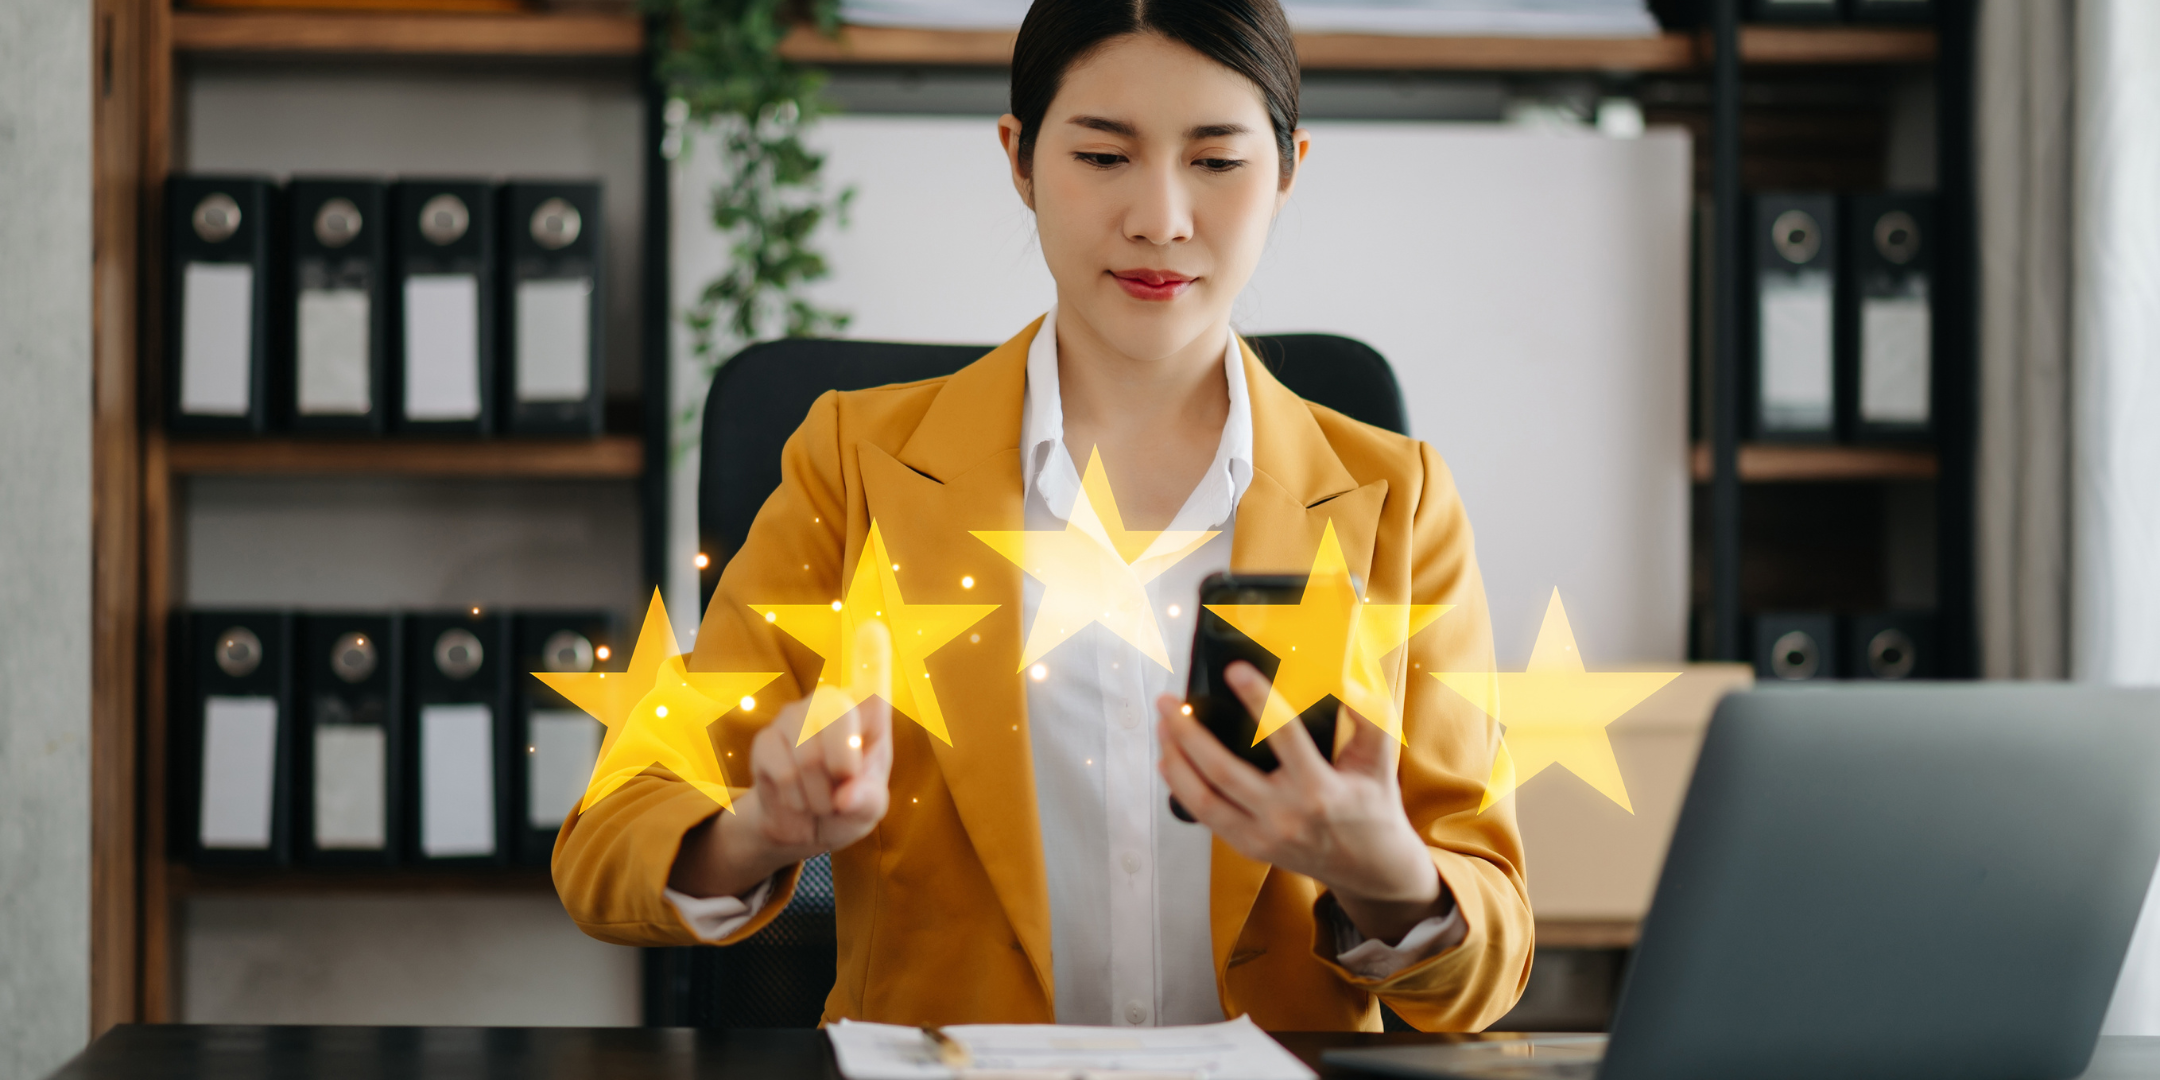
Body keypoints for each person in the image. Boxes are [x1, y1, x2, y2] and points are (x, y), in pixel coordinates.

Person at [554, 0, 1531, 1031]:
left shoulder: (1396, 499)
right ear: (1019, 159)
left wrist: (1387, 875)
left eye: (1217, 161)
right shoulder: (859, 466)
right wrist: (758, 830)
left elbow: (1488, 961)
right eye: (1104, 157)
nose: (1161, 217)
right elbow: (609, 841)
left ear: (1288, 167)